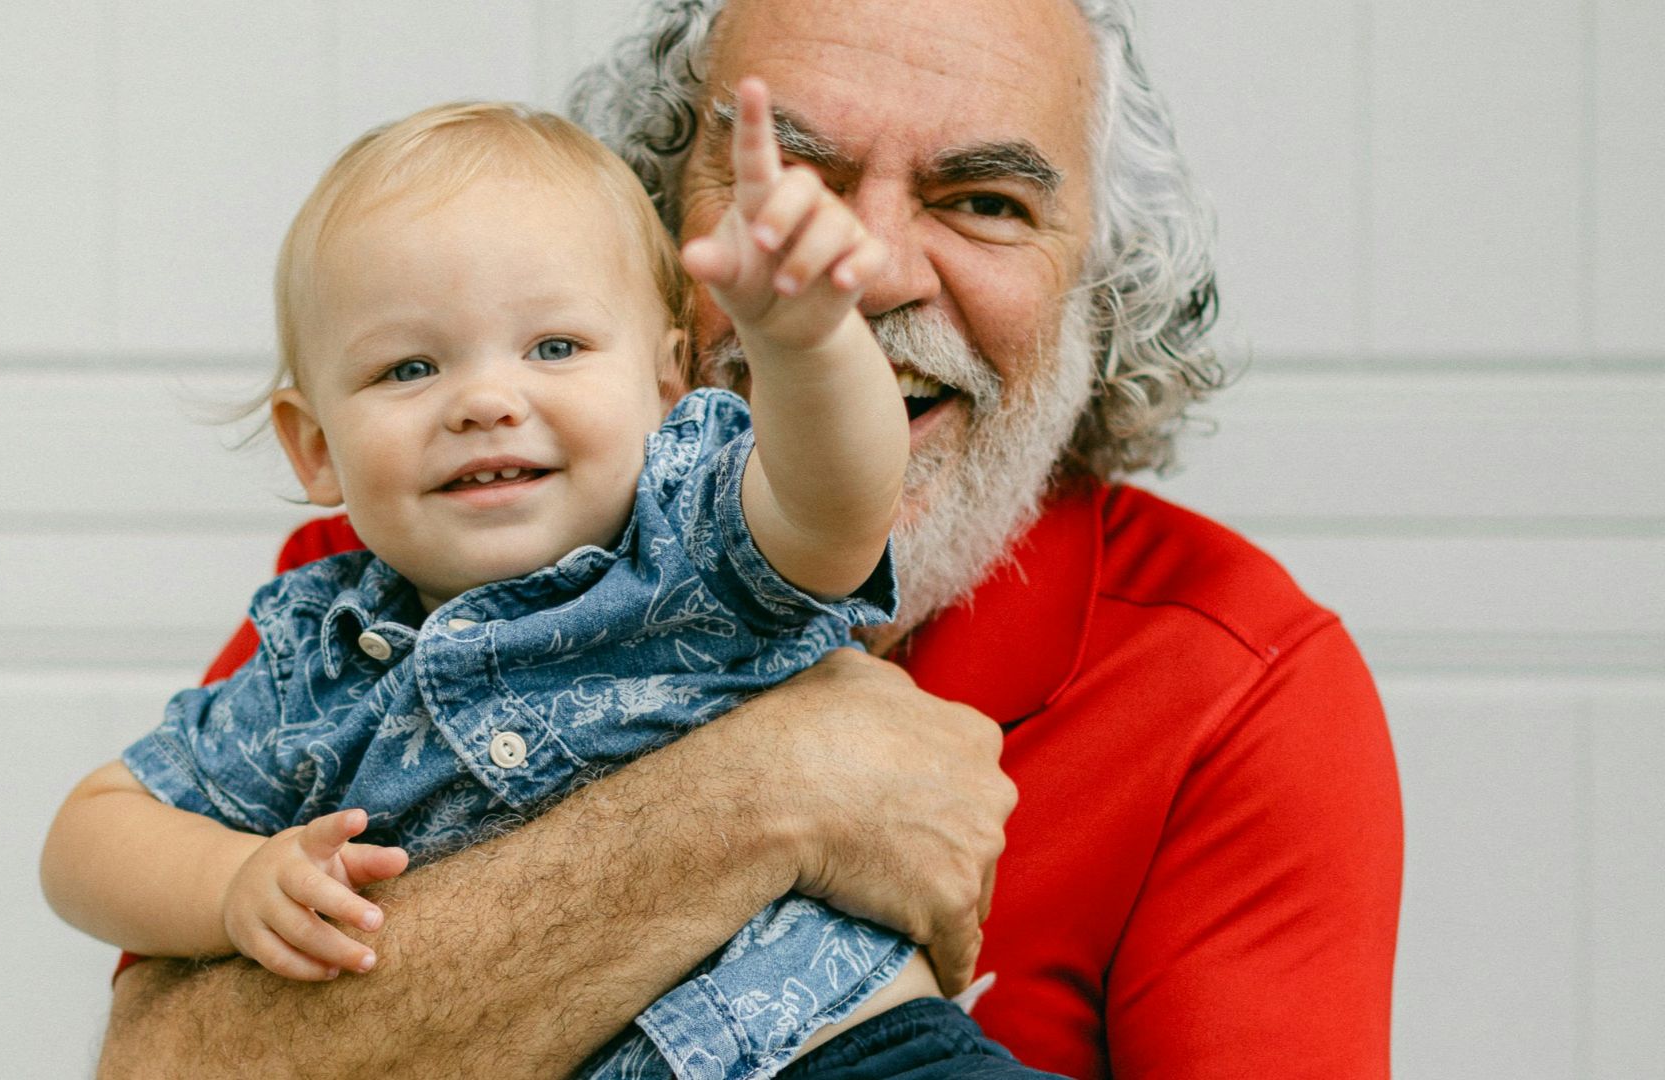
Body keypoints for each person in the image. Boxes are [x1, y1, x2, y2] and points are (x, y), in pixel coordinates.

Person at [93, 0, 1404, 1077]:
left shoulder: (1246, 684)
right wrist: (768, 800)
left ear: (1101, 294)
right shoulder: (396, 586)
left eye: (985, 201)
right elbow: (164, 1066)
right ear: (660, 230)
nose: (867, 270)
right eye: (794, 178)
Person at [46, 85, 1061, 1079]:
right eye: (407, 369)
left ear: (667, 385)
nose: (487, 399)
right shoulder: (320, 659)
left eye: (556, 347)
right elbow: (89, 835)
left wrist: (804, 345)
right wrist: (229, 883)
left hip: (845, 1050)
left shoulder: (693, 538)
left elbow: (840, 506)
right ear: (315, 447)